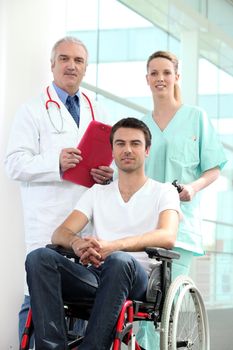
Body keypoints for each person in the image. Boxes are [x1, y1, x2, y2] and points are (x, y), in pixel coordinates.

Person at [25, 117, 181, 350]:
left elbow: (167, 236)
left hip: (138, 281)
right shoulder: (98, 192)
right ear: (112, 150)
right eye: (120, 143)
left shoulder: (164, 191)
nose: (127, 149)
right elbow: (61, 232)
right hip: (96, 277)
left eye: (135, 144)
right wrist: (77, 243)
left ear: (147, 150)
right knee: (39, 258)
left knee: (119, 260)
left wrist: (113, 246)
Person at [4, 36, 113, 345]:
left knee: (81, 307)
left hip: (86, 226)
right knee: (38, 298)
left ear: (85, 68)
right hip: (47, 222)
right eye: (64, 58)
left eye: (78, 60)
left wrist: (107, 174)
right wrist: (56, 163)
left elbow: (113, 163)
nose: (71, 65)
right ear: (52, 65)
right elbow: (14, 163)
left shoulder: (99, 109)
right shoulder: (32, 110)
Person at [136, 50, 227, 349]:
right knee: (142, 310)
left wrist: (194, 187)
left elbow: (213, 168)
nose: (160, 78)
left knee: (168, 309)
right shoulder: (140, 125)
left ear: (177, 77)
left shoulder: (195, 117)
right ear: (147, 79)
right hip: (143, 228)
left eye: (166, 72)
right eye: (154, 73)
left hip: (181, 229)